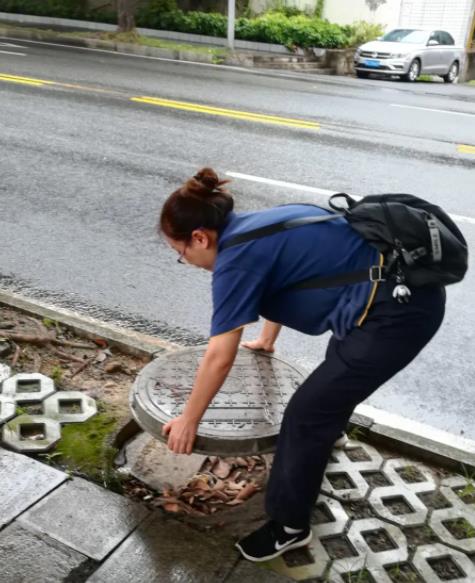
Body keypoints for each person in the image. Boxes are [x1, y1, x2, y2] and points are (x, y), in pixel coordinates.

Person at [159, 167, 446, 563]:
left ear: (200, 237)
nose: (185, 261)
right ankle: (327, 437)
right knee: (334, 379)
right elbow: (290, 278)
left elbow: (219, 355)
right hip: (391, 298)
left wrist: (189, 420)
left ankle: (288, 526)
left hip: (396, 315)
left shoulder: (234, 261)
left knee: (305, 415)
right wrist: (267, 340)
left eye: (181, 254)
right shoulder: (255, 225)